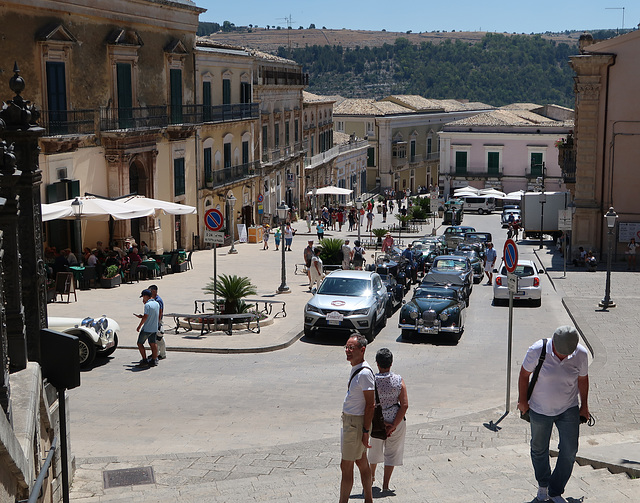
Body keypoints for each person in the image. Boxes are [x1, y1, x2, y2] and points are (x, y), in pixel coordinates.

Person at [517, 326, 589, 503]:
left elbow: (583, 379)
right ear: (553, 343)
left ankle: (555, 490)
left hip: (568, 408)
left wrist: (584, 406)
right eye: (560, 352)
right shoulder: (537, 350)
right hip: (540, 409)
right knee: (539, 448)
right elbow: (524, 375)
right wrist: (522, 400)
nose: (564, 356)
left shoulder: (580, 354)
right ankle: (543, 485)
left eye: (567, 353)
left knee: (570, 450)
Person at [340, 334, 375, 503]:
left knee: (346, 466)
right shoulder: (357, 368)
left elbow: (370, 405)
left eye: (351, 348)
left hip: (355, 424)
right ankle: (369, 499)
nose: (348, 351)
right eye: (346, 347)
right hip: (352, 422)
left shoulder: (364, 374)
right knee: (361, 462)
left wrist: (365, 431)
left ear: (362, 350)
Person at [369, 348, 408, 494]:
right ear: (391, 363)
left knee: (374, 449)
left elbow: (368, 404)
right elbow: (404, 405)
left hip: (377, 422)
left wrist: (383, 423)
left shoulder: (371, 381)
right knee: (391, 453)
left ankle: (372, 476)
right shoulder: (398, 380)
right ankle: (385, 485)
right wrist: (393, 425)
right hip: (396, 422)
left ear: (377, 363)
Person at [134, 289, 160, 367]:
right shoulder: (156, 304)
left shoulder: (147, 305)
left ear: (146, 296)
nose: (143, 299)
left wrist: (139, 326)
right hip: (154, 328)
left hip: (147, 328)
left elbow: (146, 317)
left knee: (140, 343)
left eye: (143, 297)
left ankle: (144, 360)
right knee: (153, 343)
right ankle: (154, 360)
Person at [148, 284, 166, 360]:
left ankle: (162, 354)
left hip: (157, 321)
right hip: (154, 321)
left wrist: (158, 322)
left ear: (154, 291)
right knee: (156, 339)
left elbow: (160, 312)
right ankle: (156, 353)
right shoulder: (154, 299)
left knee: (159, 338)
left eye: (150, 291)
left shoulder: (158, 300)